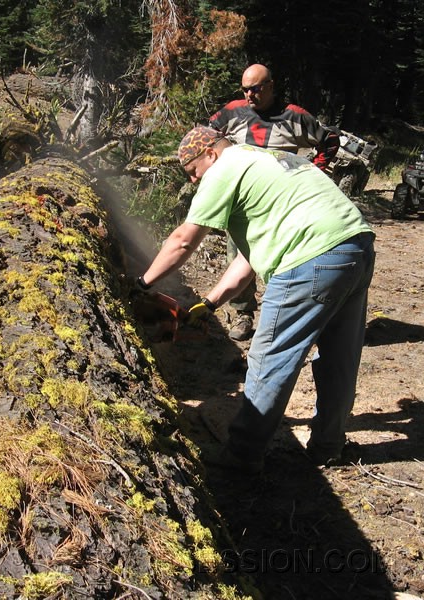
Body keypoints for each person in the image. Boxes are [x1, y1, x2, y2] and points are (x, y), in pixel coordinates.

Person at [133, 126, 375, 474]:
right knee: (340, 358)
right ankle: (328, 446)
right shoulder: (268, 161)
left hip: (309, 258)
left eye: (192, 172)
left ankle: (242, 457)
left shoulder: (225, 168)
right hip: (355, 247)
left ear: (210, 154)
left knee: (269, 359)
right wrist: (211, 303)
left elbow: (184, 241)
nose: (192, 181)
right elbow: (248, 259)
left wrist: (141, 284)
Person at [208, 64, 340, 340]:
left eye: (255, 89)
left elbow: (329, 139)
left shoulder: (294, 116)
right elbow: (207, 135)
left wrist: (312, 169)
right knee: (239, 256)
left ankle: (281, 314)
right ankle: (242, 315)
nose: (249, 95)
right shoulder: (232, 111)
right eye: (245, 89)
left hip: (282, 203)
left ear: (270, 85)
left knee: (283, 257)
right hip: (242, 200)